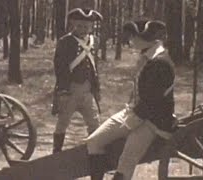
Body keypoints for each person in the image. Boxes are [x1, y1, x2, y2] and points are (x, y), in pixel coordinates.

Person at [85, 20, 176, 180]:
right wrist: (128, 117)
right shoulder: (146, 56)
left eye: (132, 37)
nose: (129, 41)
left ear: (145, 39)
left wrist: (128, 125)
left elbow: (152, 103)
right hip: (135, 111)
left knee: (127, 159)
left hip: (153, 120)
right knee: (94, 141)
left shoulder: (160, 62)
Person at [51, 8, 103, 154]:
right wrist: (63, 90)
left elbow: (94, 67)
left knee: (95, 123)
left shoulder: (94, 41)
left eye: (86, 26)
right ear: (74, 24)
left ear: (92, 27)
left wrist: (96, 89)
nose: (83, 29)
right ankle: (57, 153)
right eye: (80, 25)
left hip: (87, 90)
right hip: (70, 89)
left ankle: (94, 152)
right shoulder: (65, 41)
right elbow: (59, 66)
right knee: (63, 123)